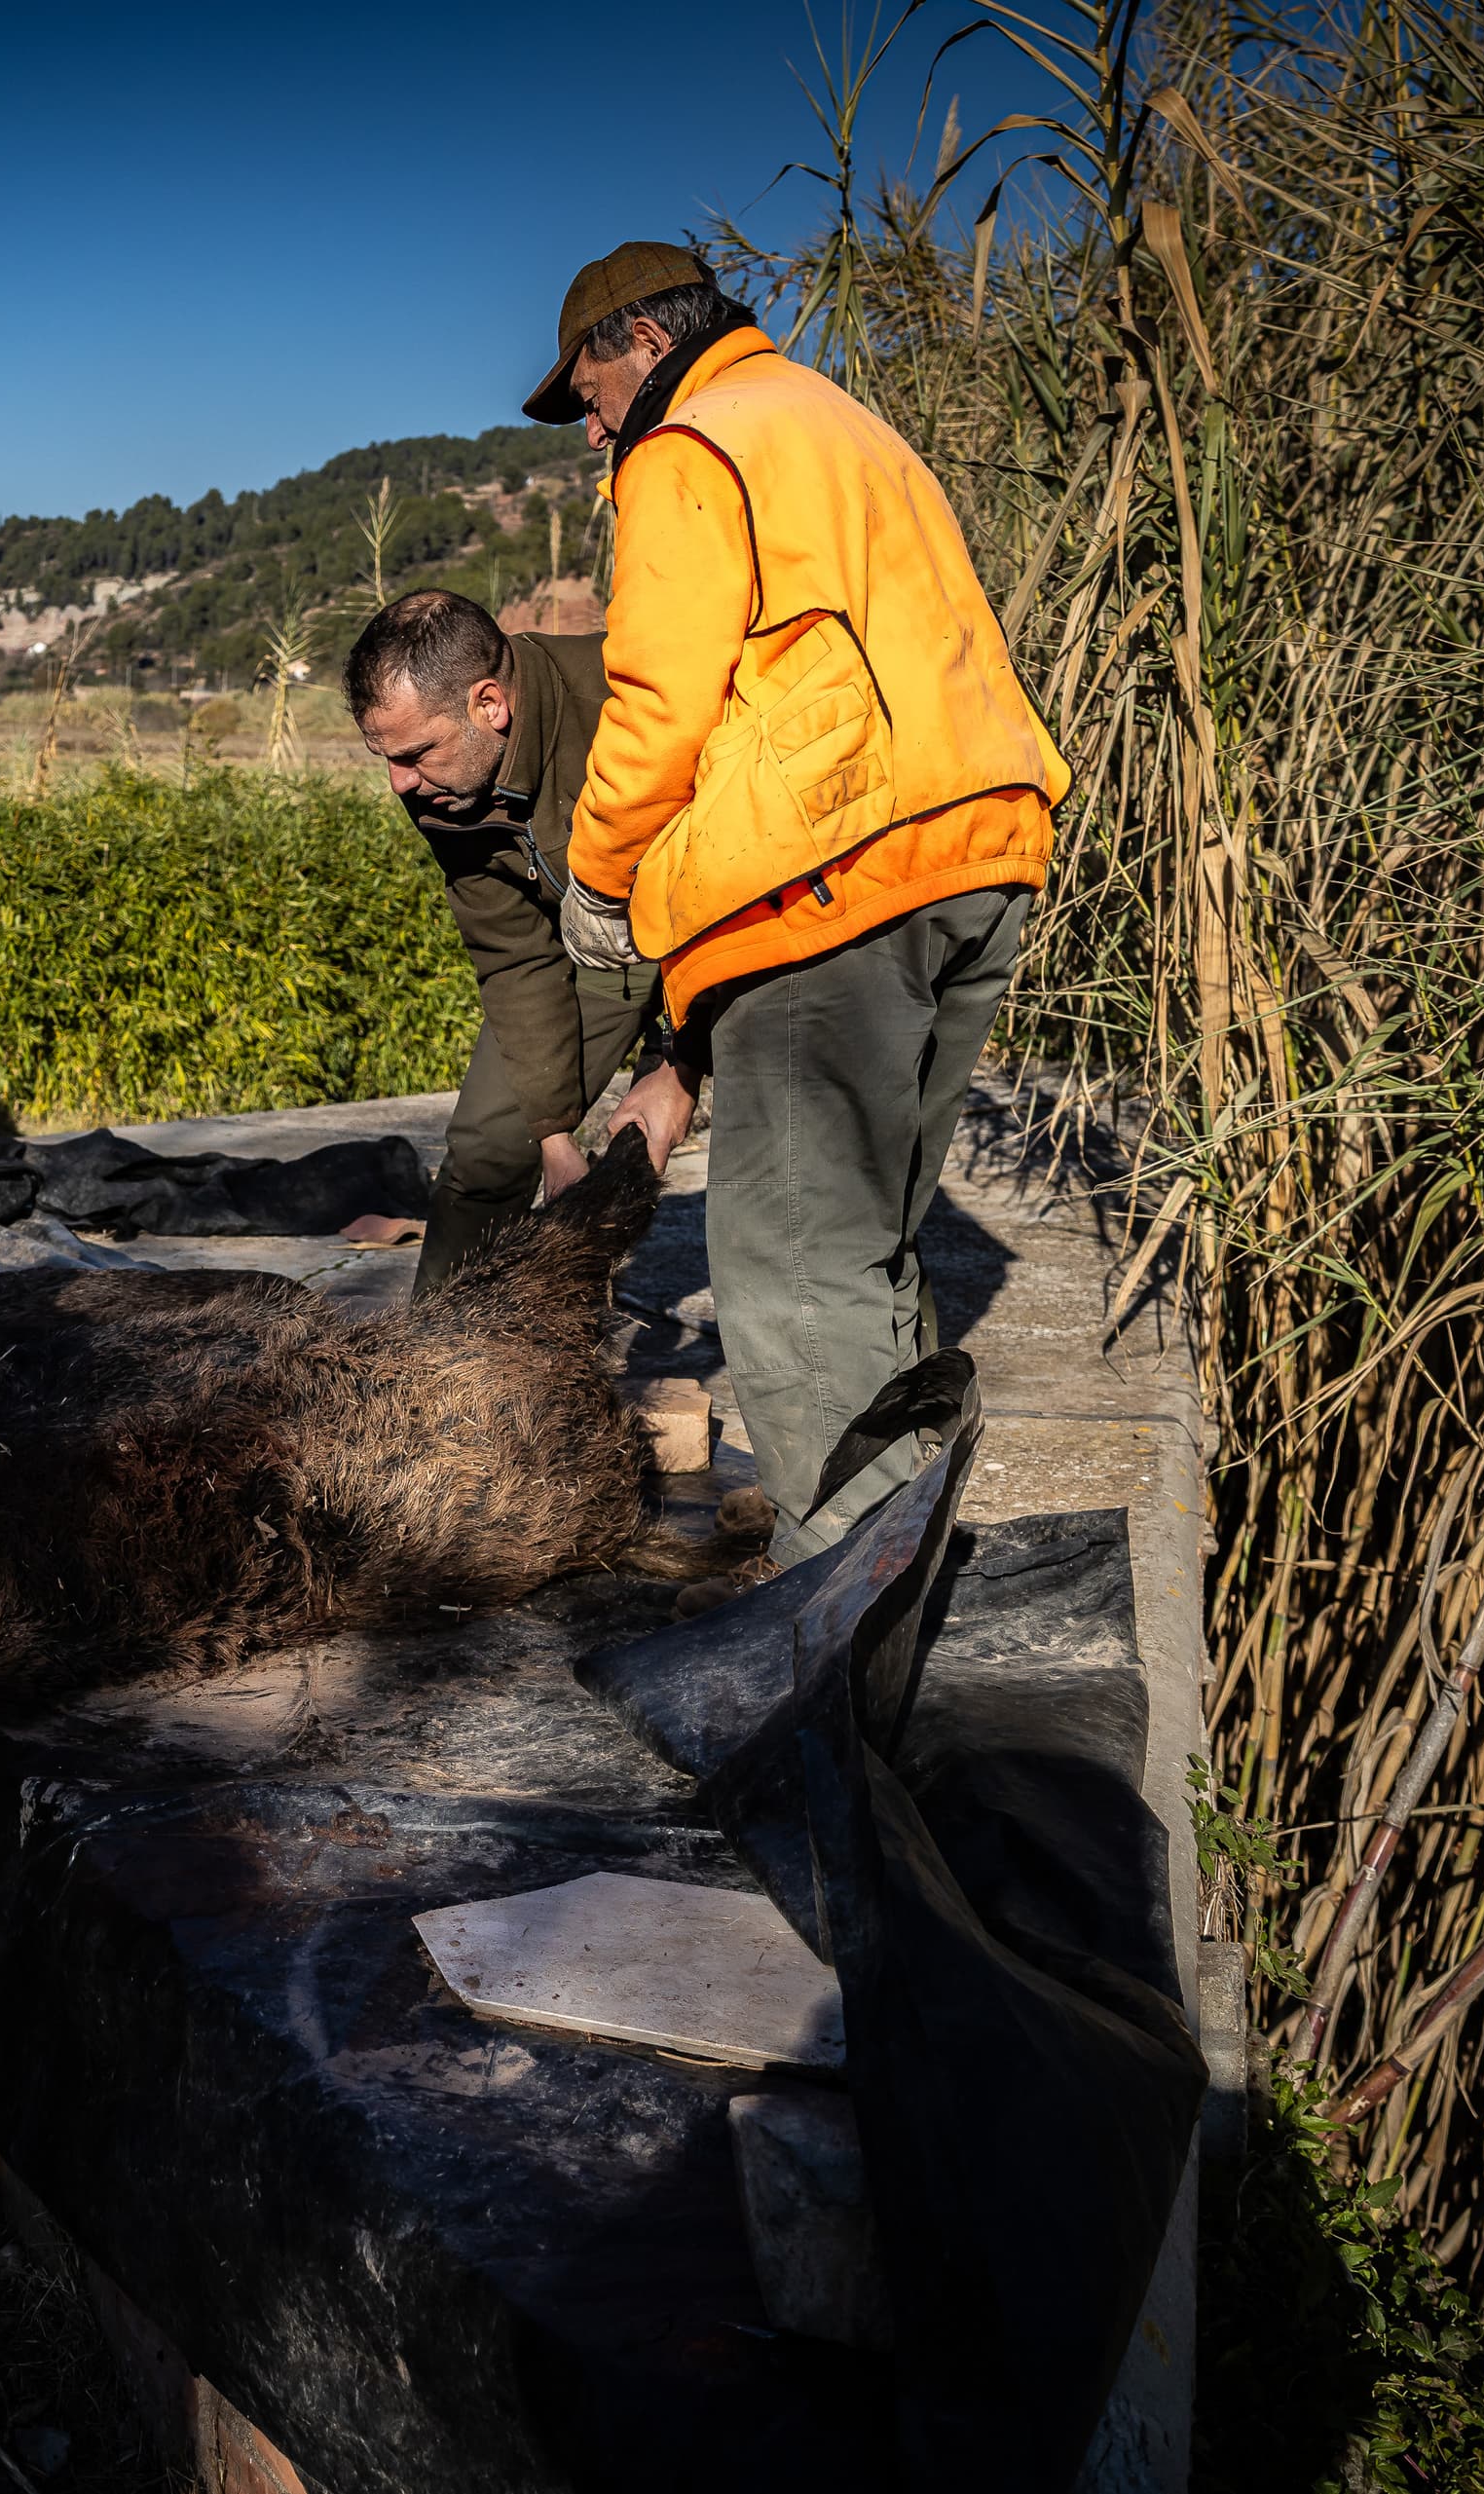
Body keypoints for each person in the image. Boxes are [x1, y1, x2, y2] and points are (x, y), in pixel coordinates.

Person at [527, 241, 1069, 1569]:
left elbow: (660, 702)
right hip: (979, 850)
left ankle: (844, 1610)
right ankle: (906, 1551)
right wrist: (685, 1043)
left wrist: (601, 875)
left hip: (833, 881)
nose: (591, 429)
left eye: (587, 393)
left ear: (644, 344)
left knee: (792, 1268)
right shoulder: (843, 425)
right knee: (867, 1248)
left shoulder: (690, 446)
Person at [344, 588, 660, 1296]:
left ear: (489, 704)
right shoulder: (441, 784)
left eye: (415, 753)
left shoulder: (630, 701)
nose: (399, 783)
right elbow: (514, 954)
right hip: (599, 950)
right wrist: (553, 1136)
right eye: (385, 757)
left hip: (744, 935)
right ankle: (436, 1348)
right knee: (488, 1149)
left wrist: (674, 1061)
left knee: (788, 1181)